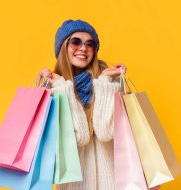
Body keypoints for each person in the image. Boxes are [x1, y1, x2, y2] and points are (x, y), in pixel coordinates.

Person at [40, 19, 126, 190]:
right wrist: (63, 90)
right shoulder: (55, 88)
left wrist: (106, 82)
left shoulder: (108, 83)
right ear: (63, 47)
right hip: (74, 185)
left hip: (113, 182)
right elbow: (79, 138)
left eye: (89, 44)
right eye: (75, 42)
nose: (83, 48)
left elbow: (105, 132)